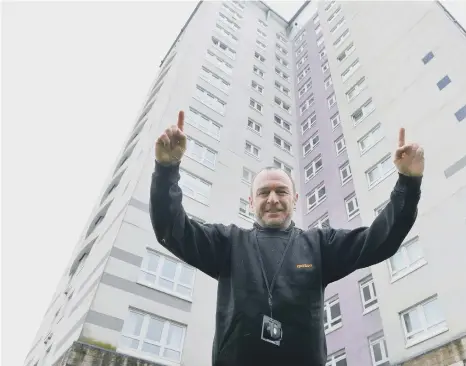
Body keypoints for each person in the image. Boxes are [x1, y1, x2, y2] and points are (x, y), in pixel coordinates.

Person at [150, 110, 424, 366]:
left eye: (281, 192)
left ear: (294, 199)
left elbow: (380, 240)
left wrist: (408, 184)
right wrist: (166, 171)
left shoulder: (319, 245)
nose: (272, 200)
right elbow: (173, 230)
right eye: (263, 193)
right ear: (250, 201)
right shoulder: (228, 243)